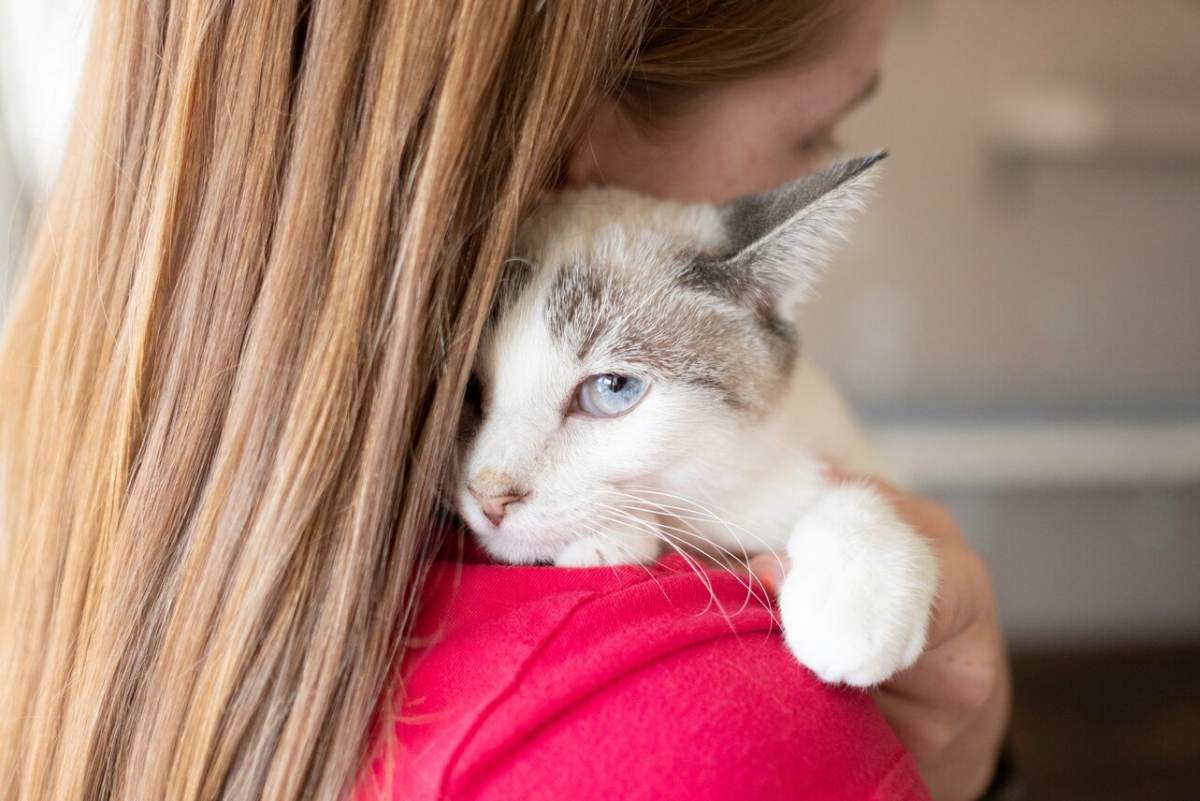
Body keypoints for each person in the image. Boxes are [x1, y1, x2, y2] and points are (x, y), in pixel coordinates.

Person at [0, 1, 1009, 799]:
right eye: (812, 128)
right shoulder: (716, 725)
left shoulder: (81, 480)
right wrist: (965, 770)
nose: (491, 485)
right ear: (575, 142)